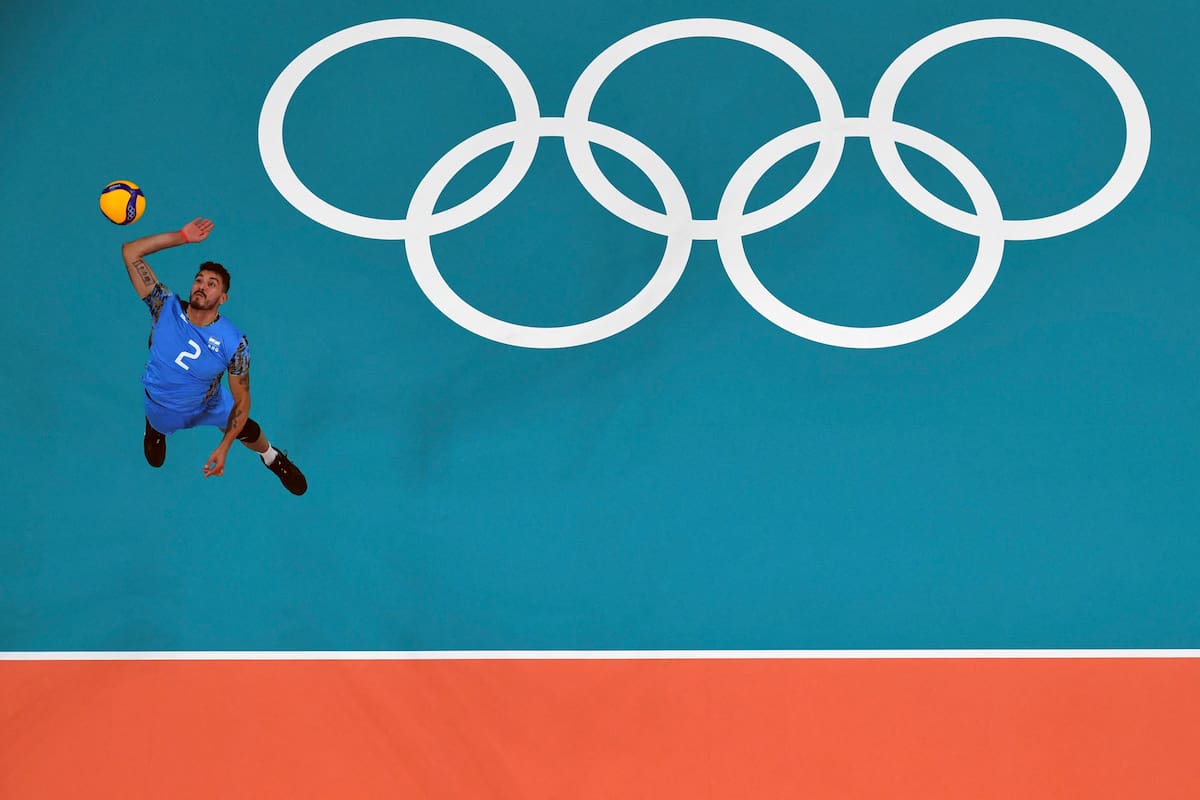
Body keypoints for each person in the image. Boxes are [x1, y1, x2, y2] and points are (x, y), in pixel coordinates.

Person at [123, 217, 307, 495]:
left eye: (212, 284)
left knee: (247, 428)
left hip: (208, 403)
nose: (202, 286)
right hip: (162, 402)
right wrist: (182, 236)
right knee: (158, 431)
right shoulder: (164, 307)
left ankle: (272, 457)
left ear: (223, 298)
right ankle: (155, 429)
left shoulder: (234, 343)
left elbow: (242, 399)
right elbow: (130, 252)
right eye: (199, 280)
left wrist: (225, 446)